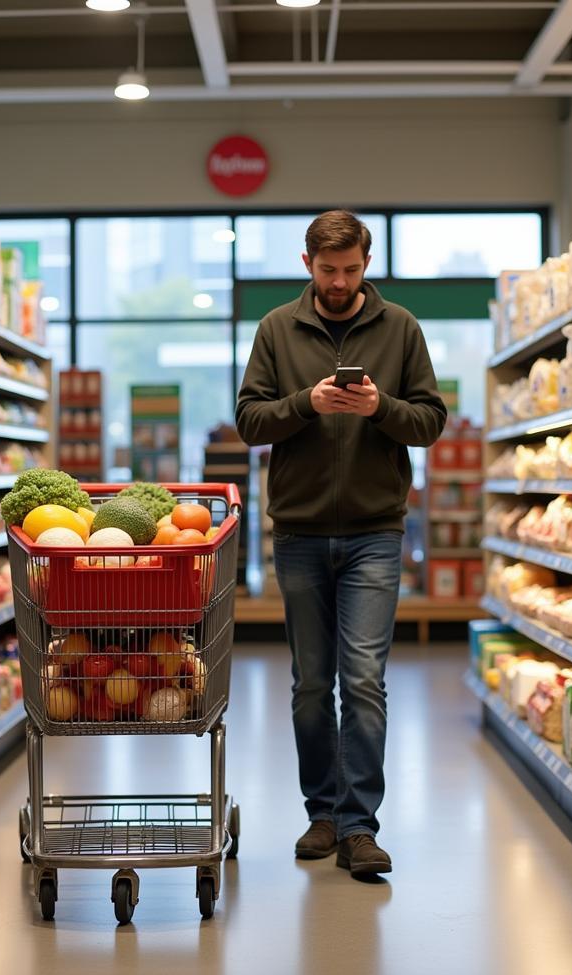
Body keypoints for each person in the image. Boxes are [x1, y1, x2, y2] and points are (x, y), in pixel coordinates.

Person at [235, 210, 448, 877]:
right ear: (308, 265)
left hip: (374, 533)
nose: (339, 281)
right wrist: (308, 404)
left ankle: (359, 828)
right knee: (308, 685)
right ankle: (321, 813)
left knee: (361, 681)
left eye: (351, 270)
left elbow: (431, 421)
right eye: (328, 270)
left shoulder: (401, 328)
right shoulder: (276, 329)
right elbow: (249, 419)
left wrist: (379, 407)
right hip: (298, 531)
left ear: (366, 263)